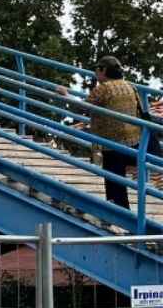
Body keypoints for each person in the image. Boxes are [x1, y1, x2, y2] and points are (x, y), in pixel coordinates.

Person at [58, 56, 139, 209]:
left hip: (112, 142)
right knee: (120, 182)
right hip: (132, 141)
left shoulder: (104, 88)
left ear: (103, 70)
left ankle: (119, 214)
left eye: (97, 70)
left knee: (113, 183)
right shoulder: (130, 86)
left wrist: (65, 94)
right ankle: (124, 212)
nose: (95, 73)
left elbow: (82, 107)